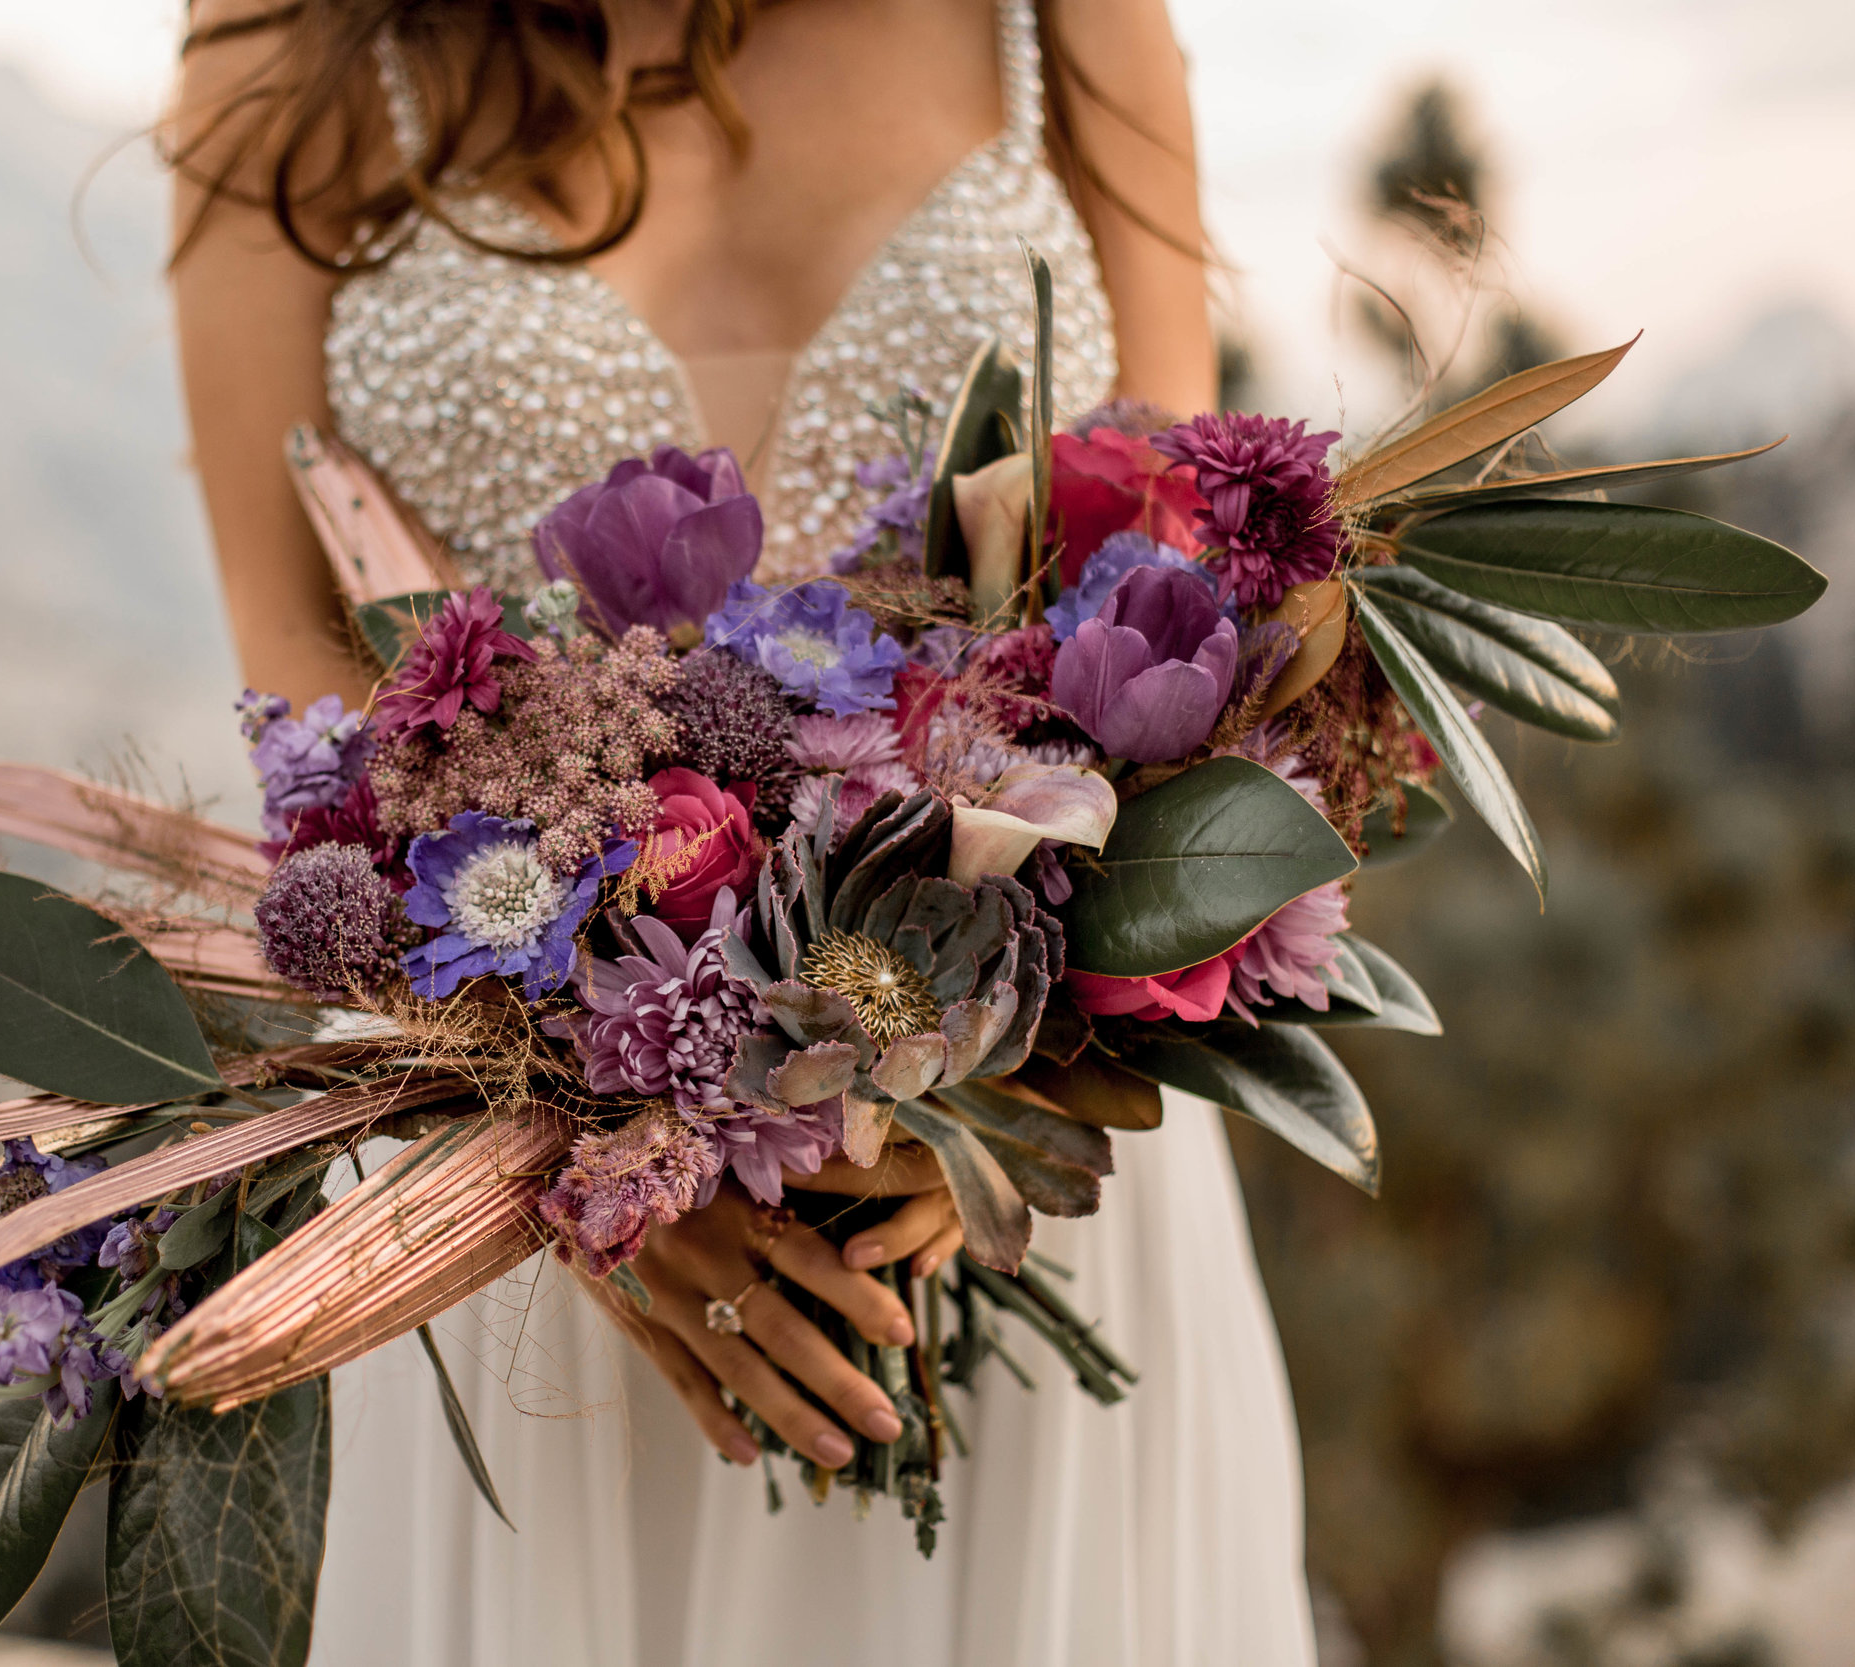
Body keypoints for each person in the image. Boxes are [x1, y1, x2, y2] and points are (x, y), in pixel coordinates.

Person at [169, 1, 1317, 1660]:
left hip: (1011, 1179)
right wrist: (591, 1172)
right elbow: (300, 683)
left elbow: (1175, 579)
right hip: (536, 1232)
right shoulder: (293, 37)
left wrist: (995, 1095)